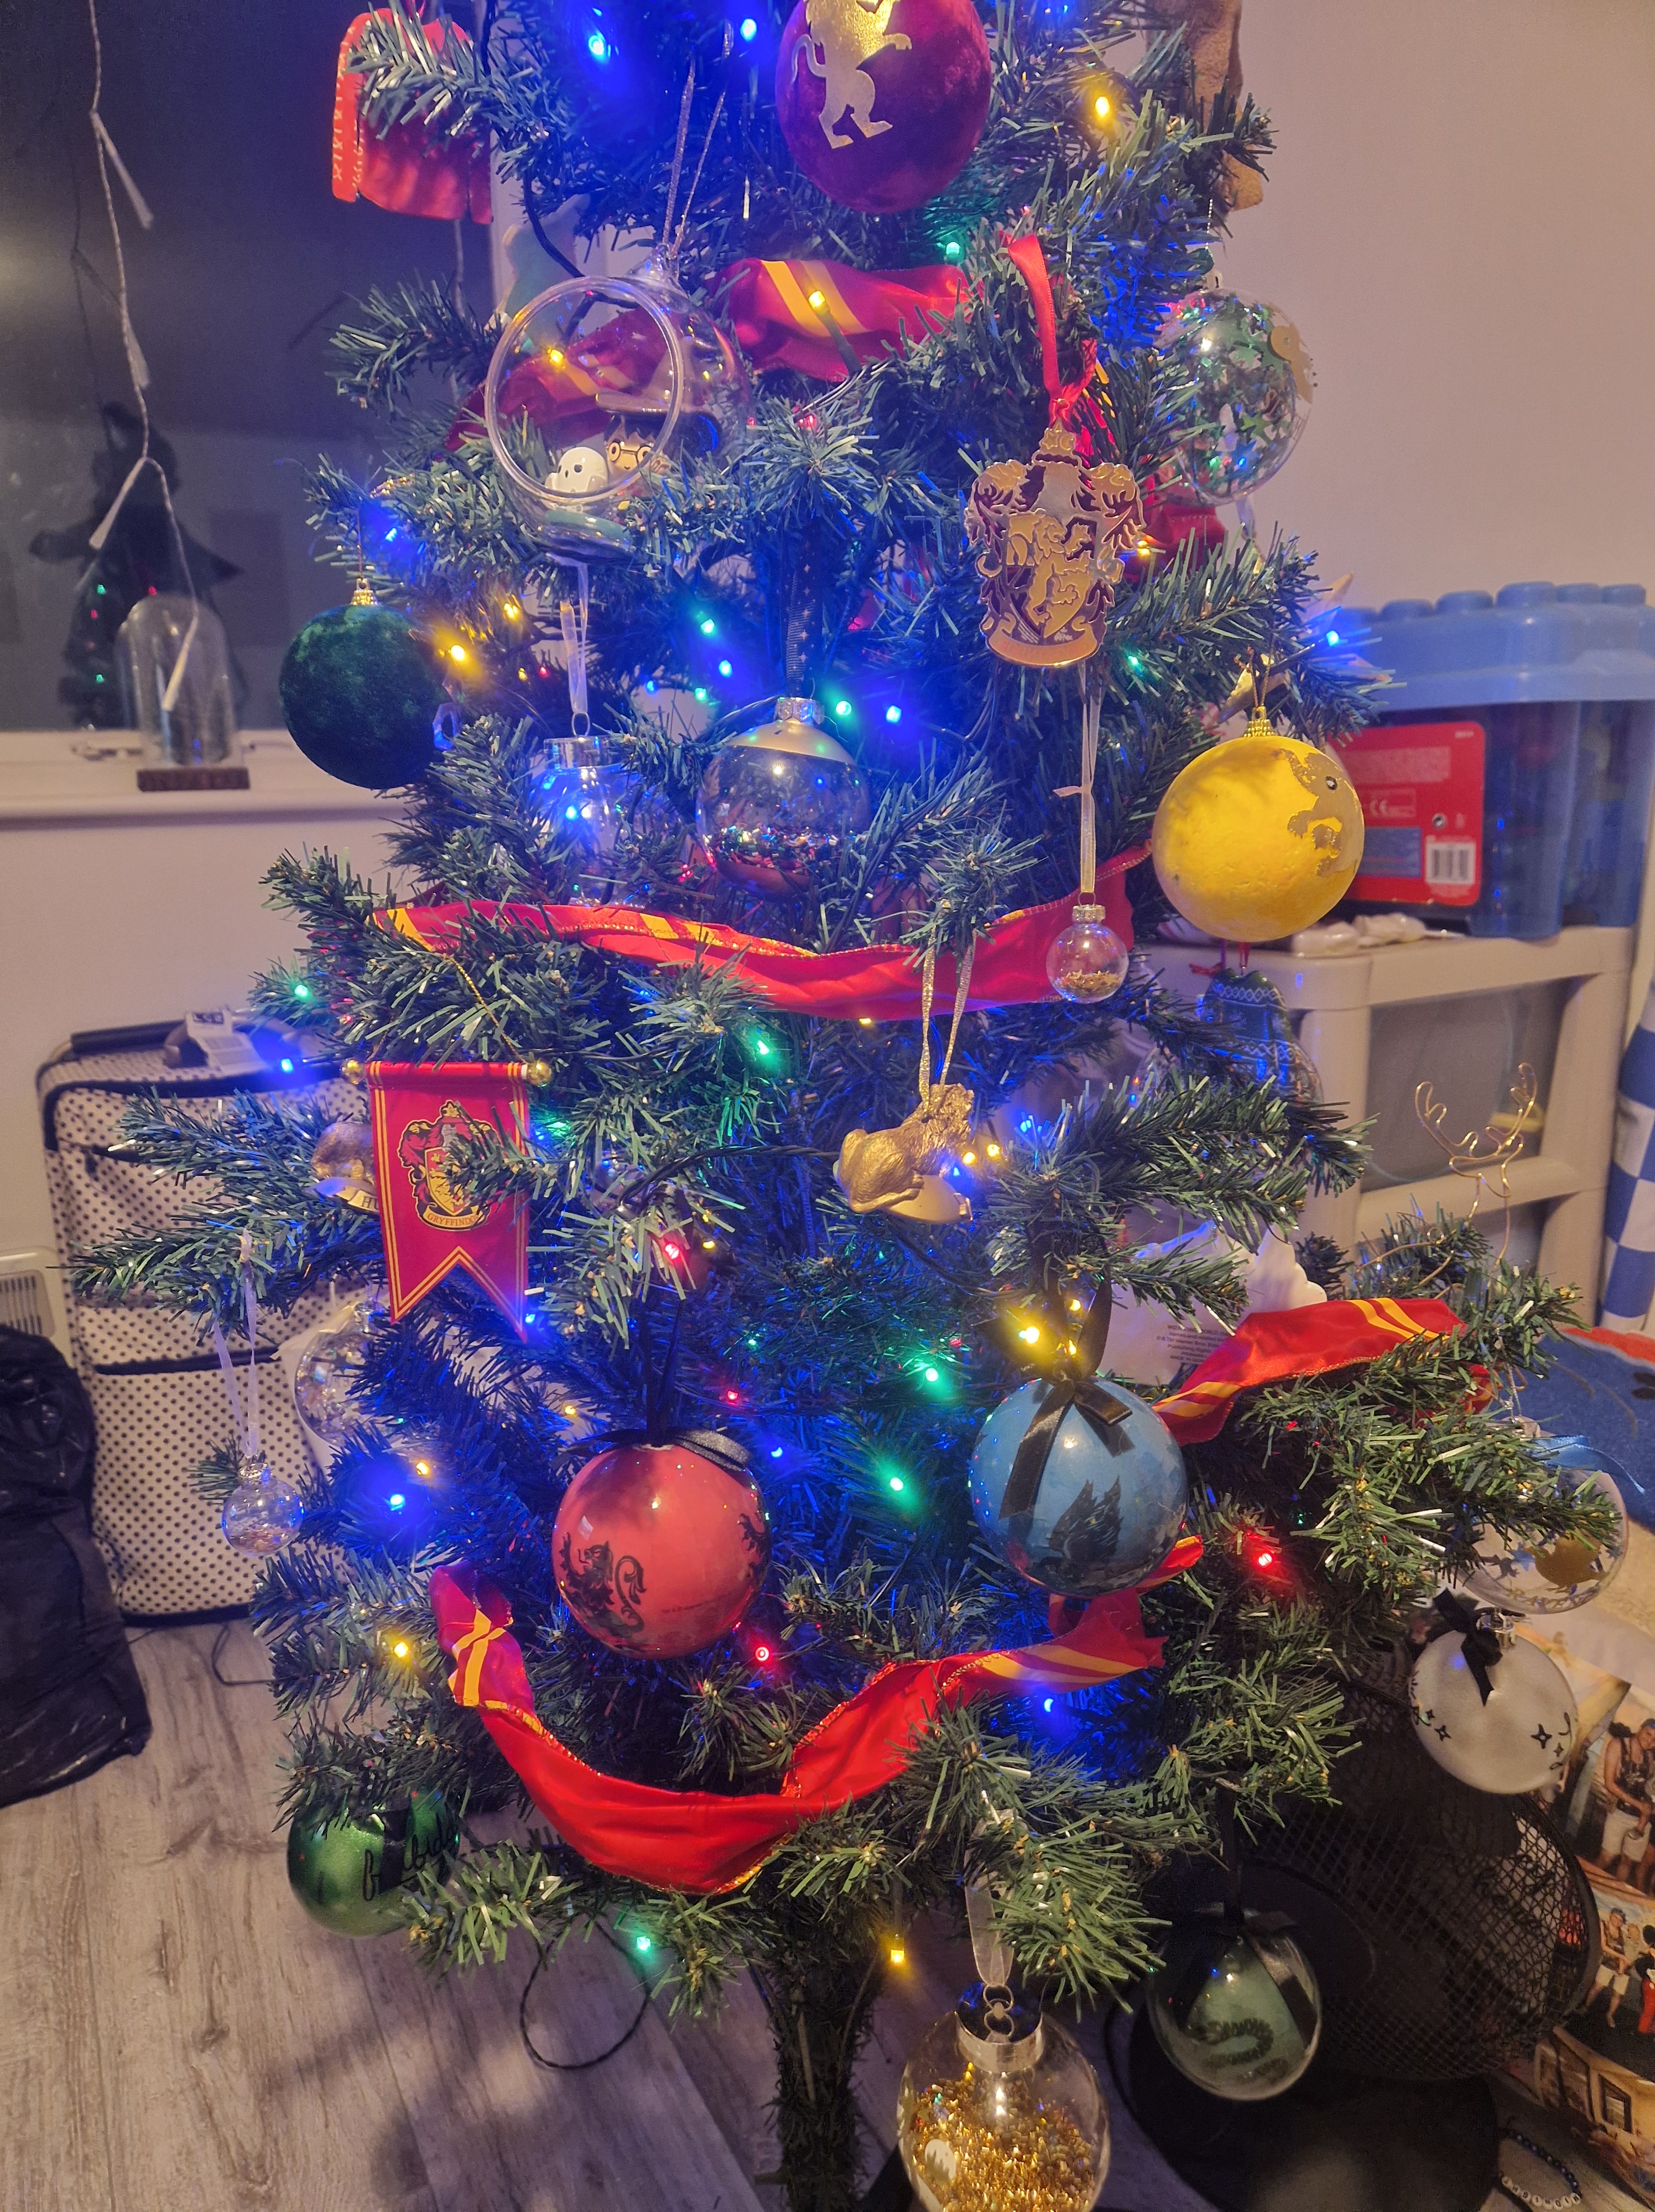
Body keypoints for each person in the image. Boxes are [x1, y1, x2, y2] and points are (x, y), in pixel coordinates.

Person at [1598, 1721, 1655, 1883]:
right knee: (1608, 1856)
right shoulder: (1618, 1745)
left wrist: (1649, 1809)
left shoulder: (1650, 1757)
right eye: (1648, 1734)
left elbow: (1650, 1788)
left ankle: (1613, 1893)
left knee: (1627, 1861)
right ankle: (1580, 1883)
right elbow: (1609, 1784)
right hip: (1619, 1812)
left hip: (1641, 1819)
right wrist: (1639, 1805)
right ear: (1640, 1729)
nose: (1650, 1741)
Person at [1590, 1908, 1632, 2030]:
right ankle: (1586, 2006)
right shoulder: (1603, 1925)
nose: (1618, 1921)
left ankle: (1610, 2015)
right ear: (1610, 1915)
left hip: (1624, 1966)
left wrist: (1625, 1961)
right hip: (1609, 1962)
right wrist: (1622, 1957)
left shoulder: (1622, 1932)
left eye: (1621, 1920)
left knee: (1617, 1994)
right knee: (1598, 1987)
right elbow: (1604, 1946)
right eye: (1616, 1918)